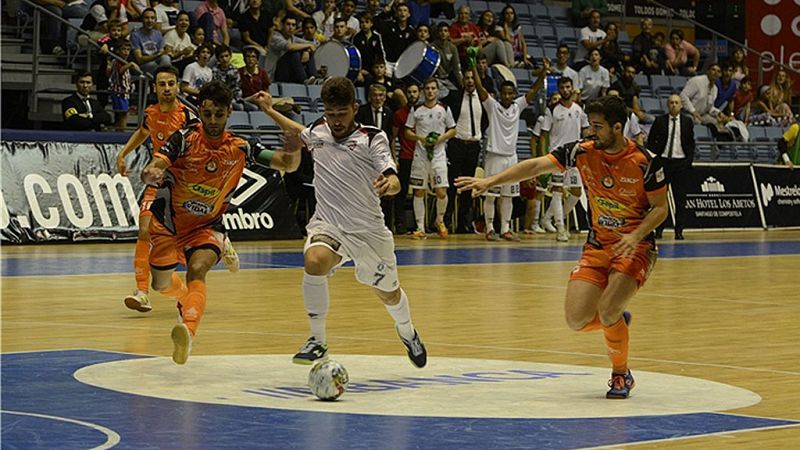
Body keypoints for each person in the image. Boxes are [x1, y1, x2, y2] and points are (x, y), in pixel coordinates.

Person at [456, 95, 668, 399]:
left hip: (635, 248)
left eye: (597, 126)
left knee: (607, 311)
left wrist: (635, 236)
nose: (590, 131)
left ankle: (621, 374)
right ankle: (617, 320)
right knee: (576, 321)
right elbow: (535, 166)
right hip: (597, 246)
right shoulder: (581, 152)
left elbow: (661, 209)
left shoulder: (645, 162)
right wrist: (491, 182)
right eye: (589, 125)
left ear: (618, 128)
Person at [258, 76, 427, 369]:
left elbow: (393, 177)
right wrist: (269, 111)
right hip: (329, 225)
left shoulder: (372, 138)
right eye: (330, 114)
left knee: (389, 294)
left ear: (354, 108)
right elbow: (301, 131)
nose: (336, 121)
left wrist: (390, 184)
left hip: (369, 232)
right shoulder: (318, 131)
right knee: (314, 261)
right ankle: (318, 341)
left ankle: (407, 331)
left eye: (342, 113)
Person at [140, 81, 301, 364]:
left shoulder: (240, 147)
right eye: (207, 114)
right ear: (200, 112)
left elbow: (287, 163)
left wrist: (290, 137)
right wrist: (150, 173)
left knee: (197, 269)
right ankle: (184, 299)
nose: (212, 121)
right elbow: (156, 165)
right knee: (160, 285)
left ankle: (187, 333)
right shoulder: (183, 139)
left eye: (219, 114)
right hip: (167, 225)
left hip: (206, 227)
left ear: (229, 113)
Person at [115, 66, 241, 312]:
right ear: (155, 88)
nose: (167, 89)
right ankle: (142, 292)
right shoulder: (151, 113)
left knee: (181, 249)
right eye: (162, 84)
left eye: (171, 84)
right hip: (160, 184)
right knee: (144, 229)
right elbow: (143, 132)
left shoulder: (188, 117)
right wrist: (123, 153)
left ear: (177, 86)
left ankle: (219, 241)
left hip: (184, 189)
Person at [469, 52, 548, 241]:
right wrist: (473, 66)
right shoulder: (492, 106)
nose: (506, 96)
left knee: (508, 196)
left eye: (510, 93)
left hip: (511, 158)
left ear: (514, 95)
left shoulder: (517, 106)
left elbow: (534, 90)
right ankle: (489, 229)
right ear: (500, 94)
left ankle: (505, 229)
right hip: (494, 157)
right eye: (504, 93)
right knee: (490, 195)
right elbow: (479, 88)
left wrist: (544, 71)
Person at [405, 78, 457, 239]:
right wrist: (420, 138)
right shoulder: (416, 109)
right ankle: (420, 227)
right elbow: (407, 131)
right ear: (423, 91)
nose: (430, 91)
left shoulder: (444, 109)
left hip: (439, 156)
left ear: (437, 90)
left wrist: (441, 139)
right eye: (427, 88)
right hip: (420, 156)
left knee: (441, 192)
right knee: (418, 191)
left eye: (433, 88)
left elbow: (453, 130)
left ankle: (439, 220)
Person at [540, 76, 590, 242]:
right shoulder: (552, 109)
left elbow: (586, 131)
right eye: (563, 87)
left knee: (576, 192)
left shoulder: (579, 108)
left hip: (575, 155)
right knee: (557, 190)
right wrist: (543, 157)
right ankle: (561, 228)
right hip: (557, 156)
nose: (566, 90)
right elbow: (544, 133)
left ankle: (549, 218)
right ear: (559, 89)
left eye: (568, 87)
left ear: (573, 88)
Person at [442, 70, 486, 234]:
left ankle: (464, 224)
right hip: (457, 144)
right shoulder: (454, 96)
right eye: (466, 78)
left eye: (472, 78)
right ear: (462, 81)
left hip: (473, 145)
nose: (470, 81)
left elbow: (486, 120)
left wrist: (477, 134)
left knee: (468, 186)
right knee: (452, 185)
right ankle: (446, 222)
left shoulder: (482, 98)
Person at [647, 94, 693, 240]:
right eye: (671, 102)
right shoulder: (660, 121)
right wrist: (656, 160)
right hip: (663, 163)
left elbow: (690, 143)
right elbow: (651, 141)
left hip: (680, 164)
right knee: (660, 200)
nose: (674, 105)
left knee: (680, 199)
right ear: (667, 105)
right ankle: (658, 230)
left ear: (681, 105)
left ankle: (679, 231)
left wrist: (688, 161)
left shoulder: (687, 121)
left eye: (676, 102)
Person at [392, 82, 421, 233]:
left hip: (422, 157)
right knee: (401, 192)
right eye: (409, 92)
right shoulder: (399, 114)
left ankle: (420, 225)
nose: (412, 95)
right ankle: (400, 224)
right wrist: (394, 158)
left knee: (419, 191)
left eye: (415, 92)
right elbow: (393, 138)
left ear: (419, 93)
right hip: (405, 156)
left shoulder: (424, 111)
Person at [679, 63, 730, 131]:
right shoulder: (697, 81)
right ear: (707, 71)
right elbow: (683, 96)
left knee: (717, 124)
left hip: (702, 115)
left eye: (718, 71)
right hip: (688, 113)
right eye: (713, 70)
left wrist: (719, 113)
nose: (715, 73)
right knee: (696, 122)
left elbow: (709, 107)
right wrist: (693, 111)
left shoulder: (715, 89)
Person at [107, 39, 138, 131]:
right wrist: (130, 64)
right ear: (117, 51)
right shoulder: (117, 61)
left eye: (128, 50)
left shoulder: (124, 61)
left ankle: (119, 130)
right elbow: (120, 71)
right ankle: (122, 132)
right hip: (119, 92)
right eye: (123, 49)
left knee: (121, 114)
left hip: (125, 92)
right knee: (123, 113)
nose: (126, 52)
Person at [131, 8, 171, 75]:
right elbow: (139, 59)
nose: (150, 20)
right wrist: (158, 55)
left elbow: (161, 52)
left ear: (155, 20)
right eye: (146, 18)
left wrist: (166, 51)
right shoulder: (135, 35)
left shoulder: (158, 34)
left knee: (166, 59)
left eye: (152, 18)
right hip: (144, 64)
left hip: (156, 60)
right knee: (152, 65)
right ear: (142, 20)